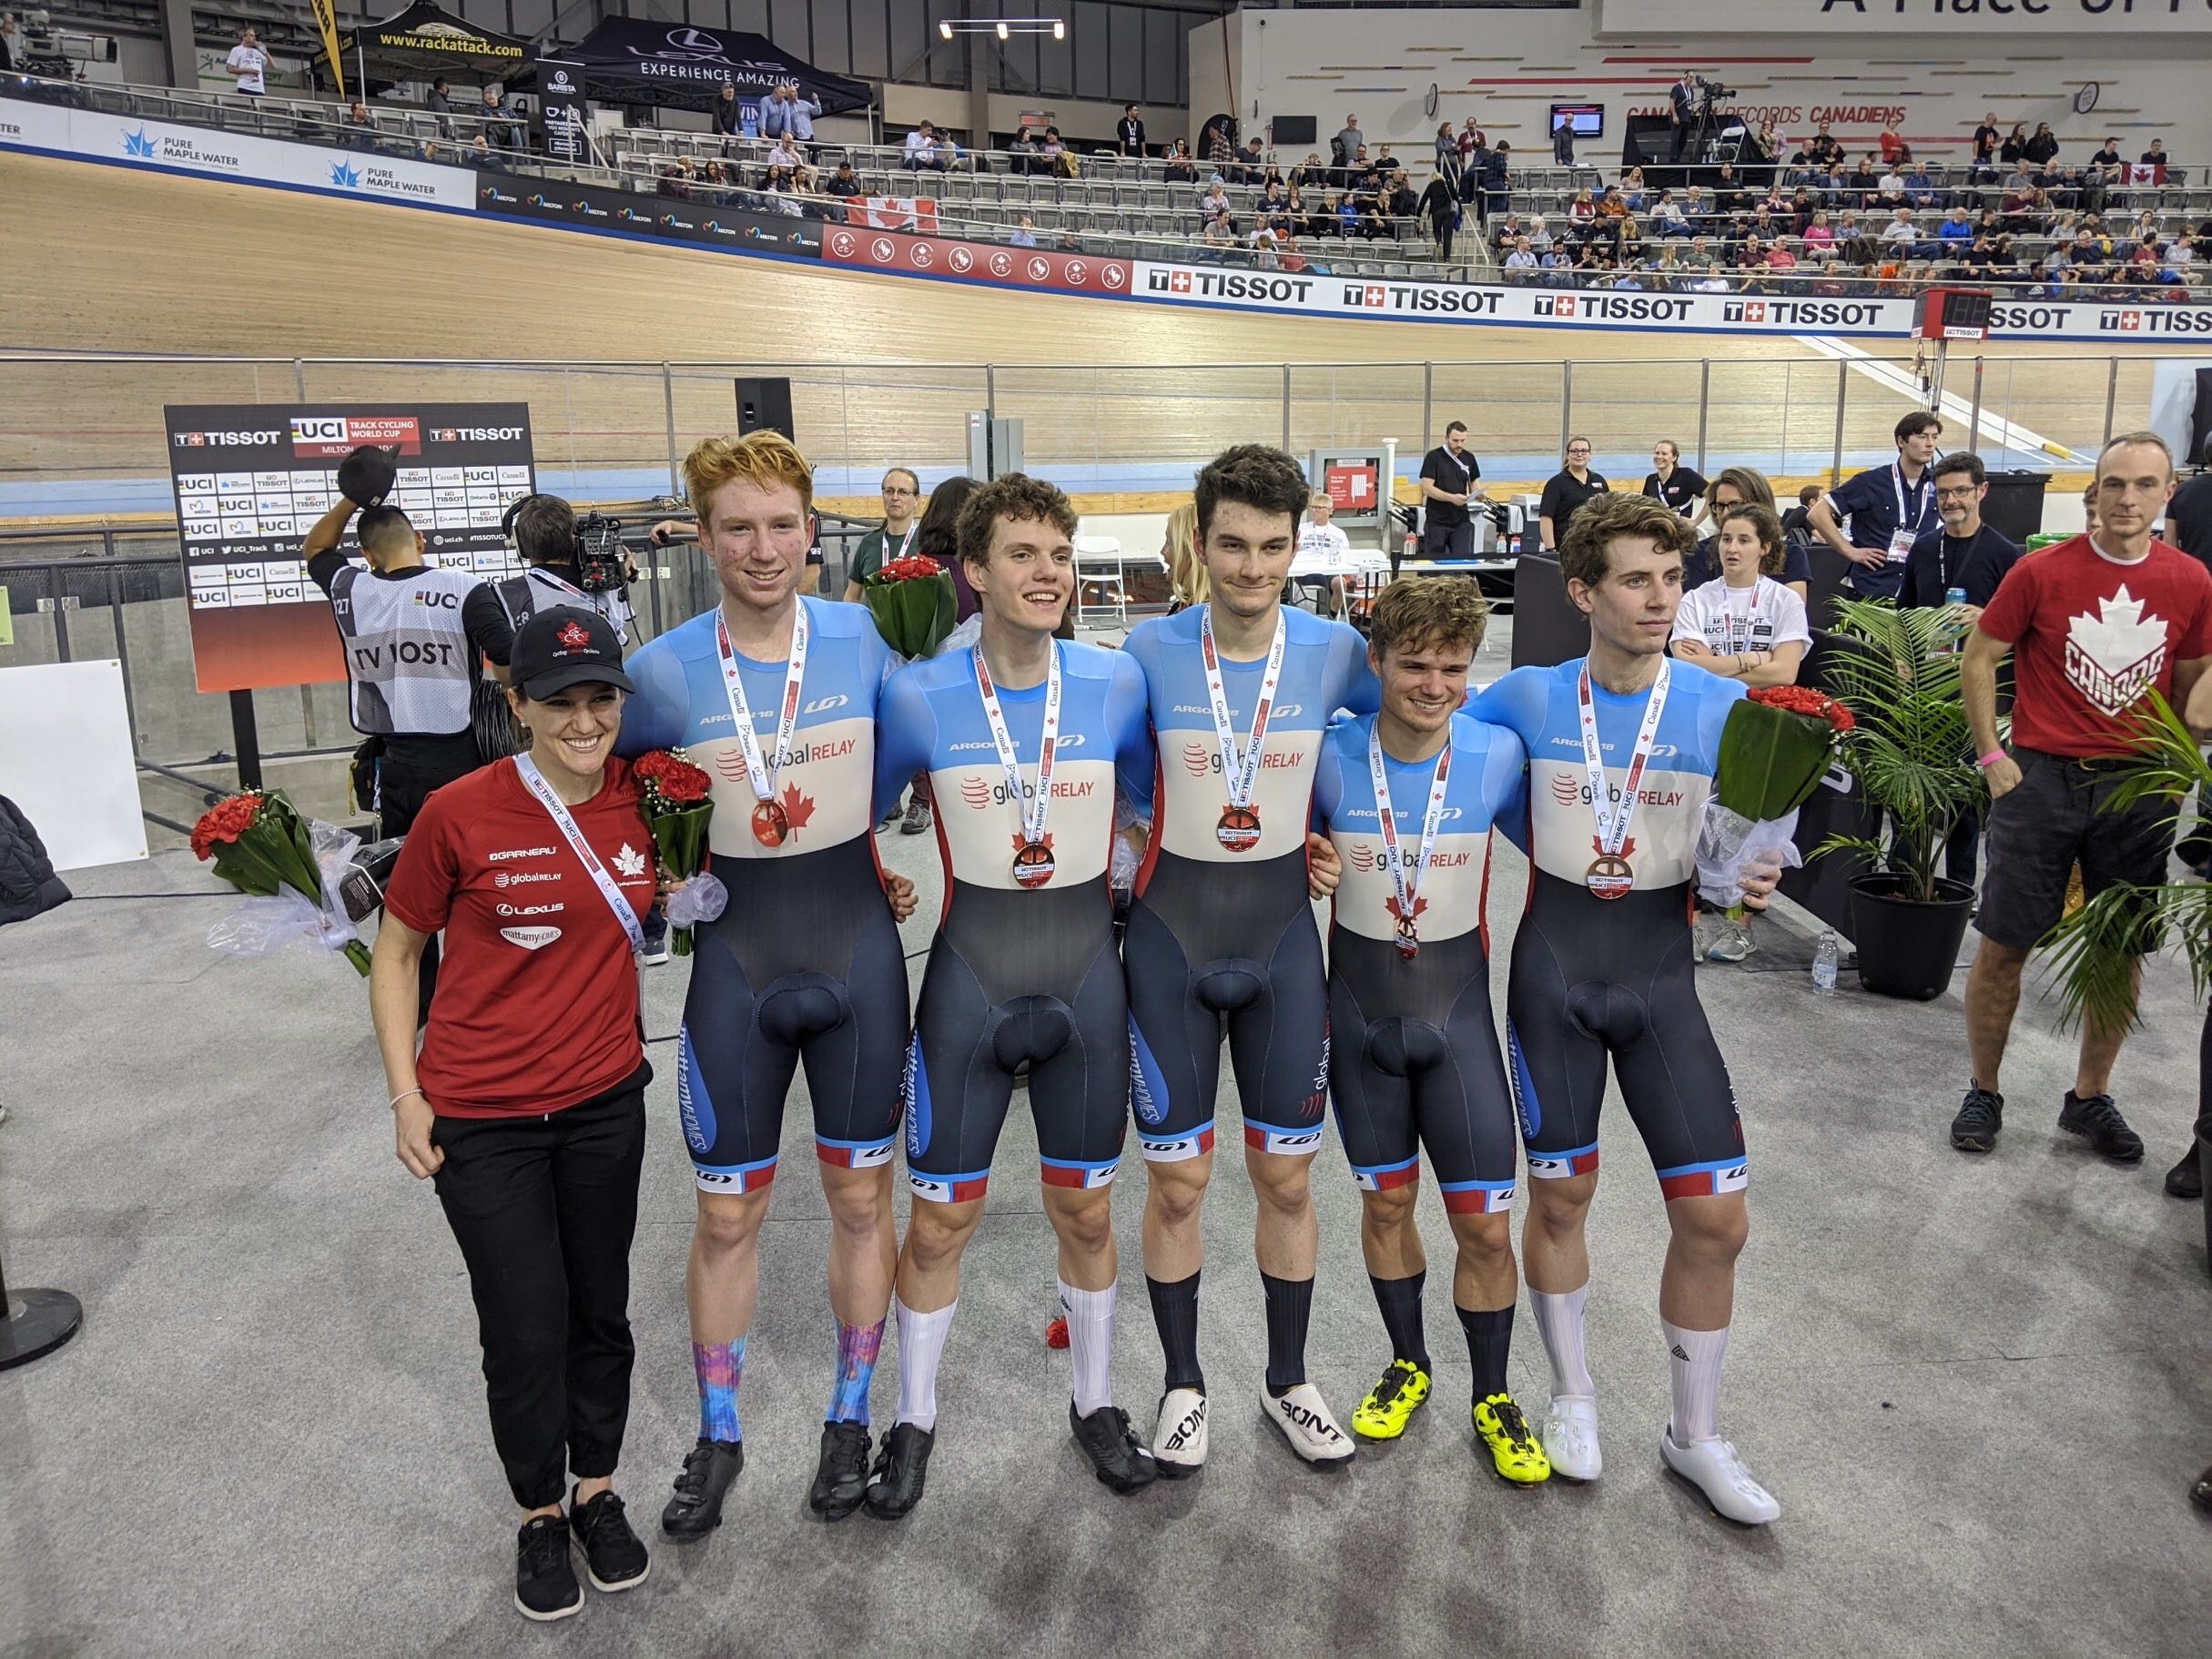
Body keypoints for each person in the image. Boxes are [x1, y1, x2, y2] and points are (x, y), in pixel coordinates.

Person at [616, 432, 920, 1533]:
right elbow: (626, 805)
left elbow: (925, 755)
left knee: (858, 1199)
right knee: (727, 1211)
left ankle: (850, 1411)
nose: (763, 547)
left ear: (811, 529)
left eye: (783, 524)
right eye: (738, 526)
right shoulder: (659, 671)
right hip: (736, 962)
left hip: (854, 950)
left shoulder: (865, 637)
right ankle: (719, 1427)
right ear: (702, 538)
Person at [1470, 491, 1783, 1526]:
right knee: (1559, 1199)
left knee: (1716, 1216)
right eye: (1638, 578)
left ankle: (1695, 1434)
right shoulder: (1520, 697)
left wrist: (1753, 872)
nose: (1663, 598)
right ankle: (1574, 1396)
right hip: (1554, 973)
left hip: (1661, 981)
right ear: (1582, 592)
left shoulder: (1718, 706)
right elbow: (1419, 756)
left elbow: (1743, 848)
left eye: (1672, 576)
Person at [864, 474, 1158, 1516]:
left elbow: (1168, 800)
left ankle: (1095, 1403)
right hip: (969, 983)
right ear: (975, 571)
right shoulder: (917, 694)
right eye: (1024, 555)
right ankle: (913, 1418)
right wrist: (877, 880)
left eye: (1060, 556)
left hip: (1087, 982)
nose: (1048, 575)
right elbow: (846, 815)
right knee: (941, 1218)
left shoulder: (1117, 682)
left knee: (1085, 1205)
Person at [372, 607, 656, 1622]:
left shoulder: (655, 797)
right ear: (517, 703)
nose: (584, 719)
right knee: (524, 1322)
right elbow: (398, 950)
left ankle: (598, 1489)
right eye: (559, 700)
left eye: (600, 697)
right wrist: (407, 1094)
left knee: (600, 1308)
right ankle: (539, 1508)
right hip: (481, 1115)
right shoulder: (459, 810)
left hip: (601, 1103)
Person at [1119, 444, 1377, 1474]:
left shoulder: (1335, 650)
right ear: (1200, 536)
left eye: (1274, 545)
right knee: (1178, 1183)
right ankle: (1184, 1383)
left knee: (1286, 1175)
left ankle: (1288, 1379)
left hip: (1281, 943)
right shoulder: (1144, 649)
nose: (1253, 566)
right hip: (1171, 940)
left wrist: (1330, 822)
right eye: (1233, 542)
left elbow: (1390, 736)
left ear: (1298, 543)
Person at [1312, 579, 1550, 1482]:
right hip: (1362, 1016)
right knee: (1384, 1204)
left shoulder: (1494, 754)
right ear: (1377, 663)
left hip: (1459, 1023)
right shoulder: (1329, 756)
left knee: (1485, 1226)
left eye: (1453, 666)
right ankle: (1407, 1360)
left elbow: (1573, 845)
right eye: (1414, 664)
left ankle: (1493, 1392)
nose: (1436, 683)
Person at [1953, 432, 2212, 1166]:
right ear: (2092, 493)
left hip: (2138, 788)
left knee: (2120, 948)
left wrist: (2181, 768)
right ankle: (1985, 1088)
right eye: (2114, 484)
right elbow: (1981, 656)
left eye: (2144, 485)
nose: (2127, 499)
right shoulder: (2041, 572)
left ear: (2168, 494)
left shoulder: (2190, 580)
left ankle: (2090, 1095)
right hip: (2042, 778)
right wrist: (1993, 753)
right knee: (2004, 940)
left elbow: (2194, 683)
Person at [301, 465, 508, 1023]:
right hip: (463, 766)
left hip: (394, 768)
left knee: (405, 892)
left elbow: (316, 547)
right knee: (475, 881)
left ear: (367, 555)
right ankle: (479, 999)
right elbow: (508, 657)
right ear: (421, 541)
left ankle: (418, 1003)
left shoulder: (353, 588)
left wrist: (350, 500)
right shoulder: (466, 589)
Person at [1807, 410, 1942, 602]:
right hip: (1871, 588)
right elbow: (1817, 513)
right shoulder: (1871, 482)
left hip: (1916, 590)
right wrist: (1849, 550)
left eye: (1934, 437)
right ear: (1901, 441)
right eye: (1922, 437)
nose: (1930, 444)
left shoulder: (1938, 484)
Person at [1670, 502, 1809, 688]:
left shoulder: (1786, 601)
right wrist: (1752, 658)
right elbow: (1688, 668)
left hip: (1765, 707)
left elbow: (1784, 673)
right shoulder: (1695, 600)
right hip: (1705, 704)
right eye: (1726, 539)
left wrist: (1712, 666)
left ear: (1764, 548)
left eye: (1744, 541)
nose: (1732, 549)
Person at [487, 493, 637, 644]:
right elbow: (618, 640)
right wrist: (619, 579)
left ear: (519, 543)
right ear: (574, 538)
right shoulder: (604, 584)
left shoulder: (504, 595)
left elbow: (502, 660)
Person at [1684, 468, 1811, 600]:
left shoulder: (1790, 554)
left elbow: (1794, 611)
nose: (1727, 513)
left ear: (1760, 505)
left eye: (1735, 505)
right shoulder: (1698, 553)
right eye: (1720, 506)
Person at [1418, 421, 1484, 561]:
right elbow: (1427, 487)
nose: (1459, 444)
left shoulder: (1469, 458)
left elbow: (1474, 482)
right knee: (1435, 566)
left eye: (1462, 441)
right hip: (1437, 521)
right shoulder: (1434, 457)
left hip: (1461, 521)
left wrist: (1479, 494)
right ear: (1446, 438)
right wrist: (1451, 498)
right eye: (1455, 440)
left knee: (1461, 564)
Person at [1537, 438, 1608, 554]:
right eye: (1574, 451)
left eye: (1584, 451)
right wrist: (1551, 549)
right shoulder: (1556, 483)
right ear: (1567, 455)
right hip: (1566, 547)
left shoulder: (1599, 480)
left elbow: (1607, 513)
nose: (1579, 454)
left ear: (1590, 455)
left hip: (1595, 546)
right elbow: (1546, 517)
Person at [1294, 488, 1354, 618]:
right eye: (1313, 507)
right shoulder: (1302, 529)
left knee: (1340, 583)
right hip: (1304, 570)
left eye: (1319, 508)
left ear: (1329, 511)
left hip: (1328, 572)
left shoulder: (1338, 533)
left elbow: (1345, 557)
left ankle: (1333, 616)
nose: (1315, 511)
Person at [1641, 440, 1709, 526]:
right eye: (1657, 453)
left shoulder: (1686, 475)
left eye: (1664, 454)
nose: (1659, 456)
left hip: (1679, 532)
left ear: (1674, 457)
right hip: (1656, 531)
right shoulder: (1650, 480)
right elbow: (1643, 508)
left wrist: (1696, 521)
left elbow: (1713, 495)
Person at [225, 26, 269, 97]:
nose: (254, 38)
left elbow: (272, 66)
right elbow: (230, 69)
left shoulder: (257, 51)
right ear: (244, 36)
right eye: (251, 35)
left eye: (254, 36)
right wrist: (248, 70)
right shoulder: (237, 50)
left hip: (259, 89)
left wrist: (265, 52)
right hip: (245, 86)